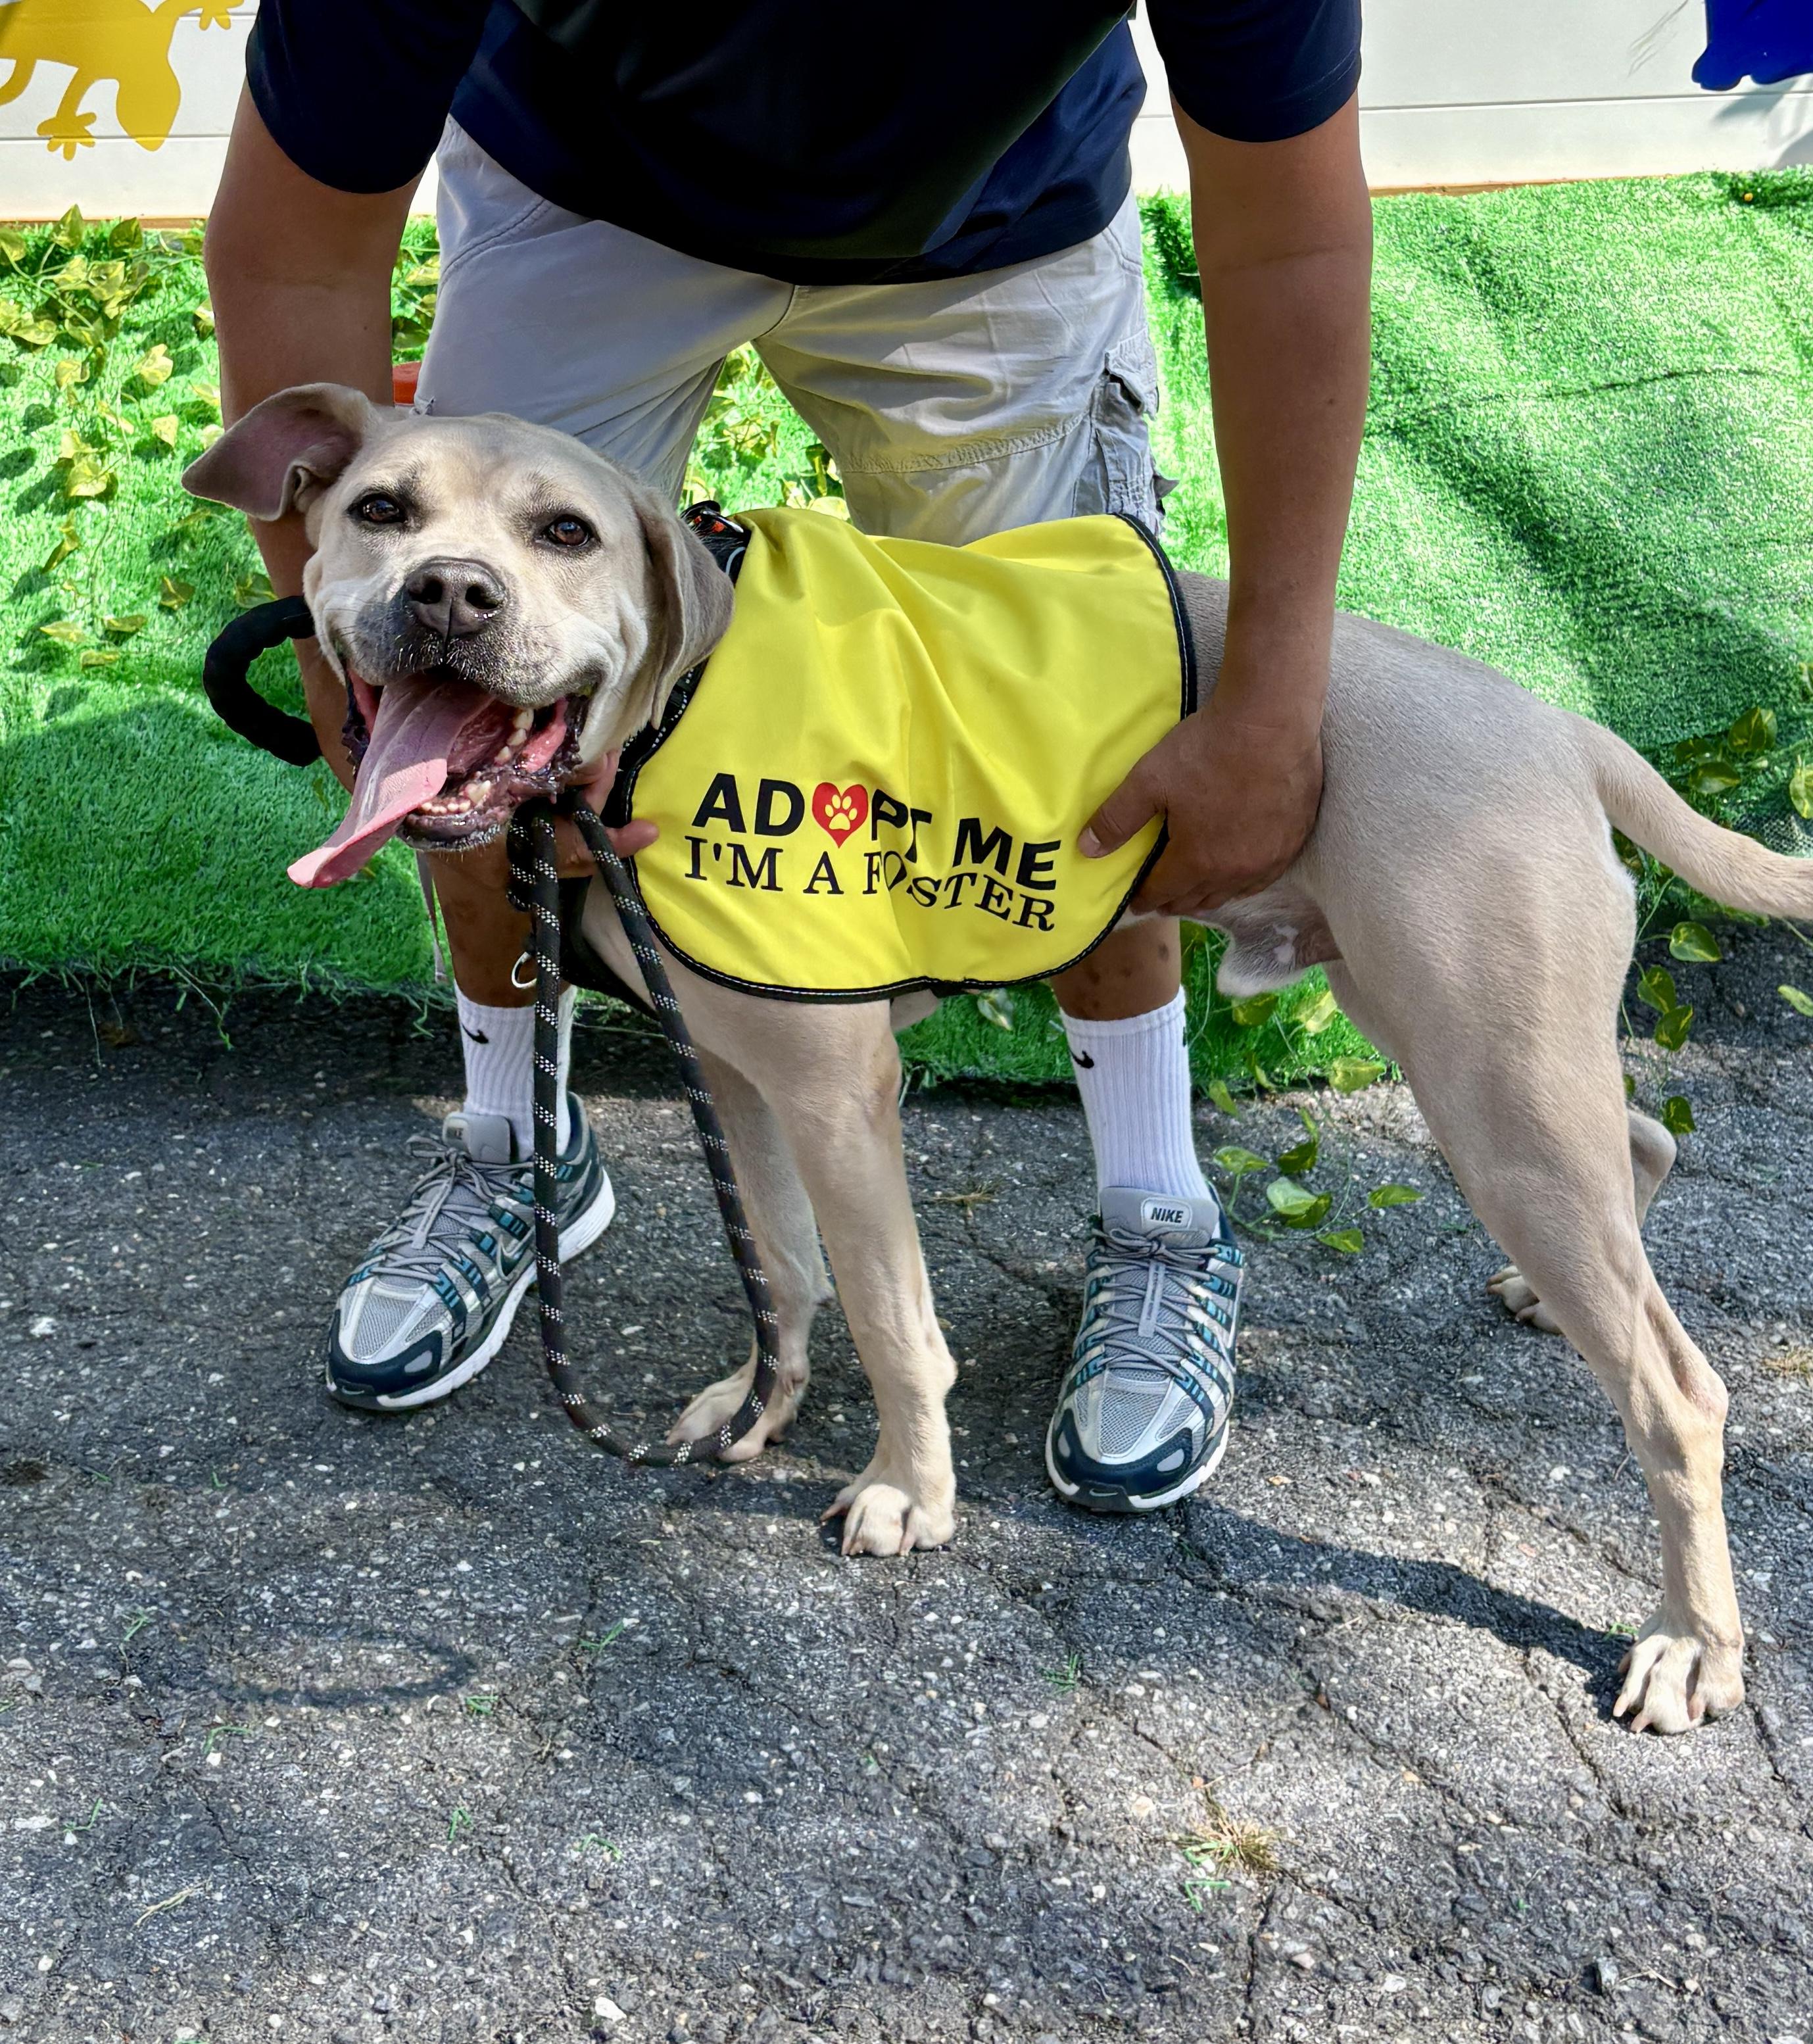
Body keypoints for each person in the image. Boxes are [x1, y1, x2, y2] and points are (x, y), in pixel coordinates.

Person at [208, 0, 1370, 1513]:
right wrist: (348, 659)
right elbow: (296, 248)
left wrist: (1273, 696)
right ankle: (516, 1137)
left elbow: (1292, 234)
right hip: (591, 189)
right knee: (468, 678)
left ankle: (1158, 1206)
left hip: (995, 223)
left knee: (1074, 711)